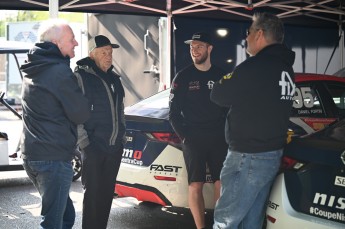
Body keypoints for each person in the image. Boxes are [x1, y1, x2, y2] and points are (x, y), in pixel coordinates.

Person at [211, 12, 296, 229]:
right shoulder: (286, 69)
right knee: (252, 221)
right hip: (271, 154)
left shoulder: (255, 67)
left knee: (225, 220)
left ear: (259, 34)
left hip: (247, 156)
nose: (245, 38)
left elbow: (218, 94)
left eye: (248, 33)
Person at [20, 19, 90, 229]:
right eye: (71, 39)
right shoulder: (59, 71)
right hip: (53, 159)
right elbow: (81, 113)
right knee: (53, 222)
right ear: (58, 43)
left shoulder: (33, 67)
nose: (76, 43)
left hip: (32, 156)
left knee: (65, 215)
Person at [169, 32, 228, 229]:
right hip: (193, 138)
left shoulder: (222, 76)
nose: (194, 50)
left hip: (219, 137)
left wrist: (228, 134)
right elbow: (173, 113)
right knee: (196, 185)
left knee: (221, 184)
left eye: (199, 46)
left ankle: (219, 225)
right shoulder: (183, 77)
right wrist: (185, 137)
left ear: (209, 48)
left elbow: (231, 108)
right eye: (192, 47)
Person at [74, 35, 126, 229]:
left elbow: (120, 110)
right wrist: (85, 143)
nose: (108, 56)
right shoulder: (81, 77)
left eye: (110, 52)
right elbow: (74, 112)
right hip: (93, 147)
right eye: (103, 52)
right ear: (92, 54)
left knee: (106, 196)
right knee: (93, 196)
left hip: (114, 148)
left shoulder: (114, 78)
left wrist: (121, 137)